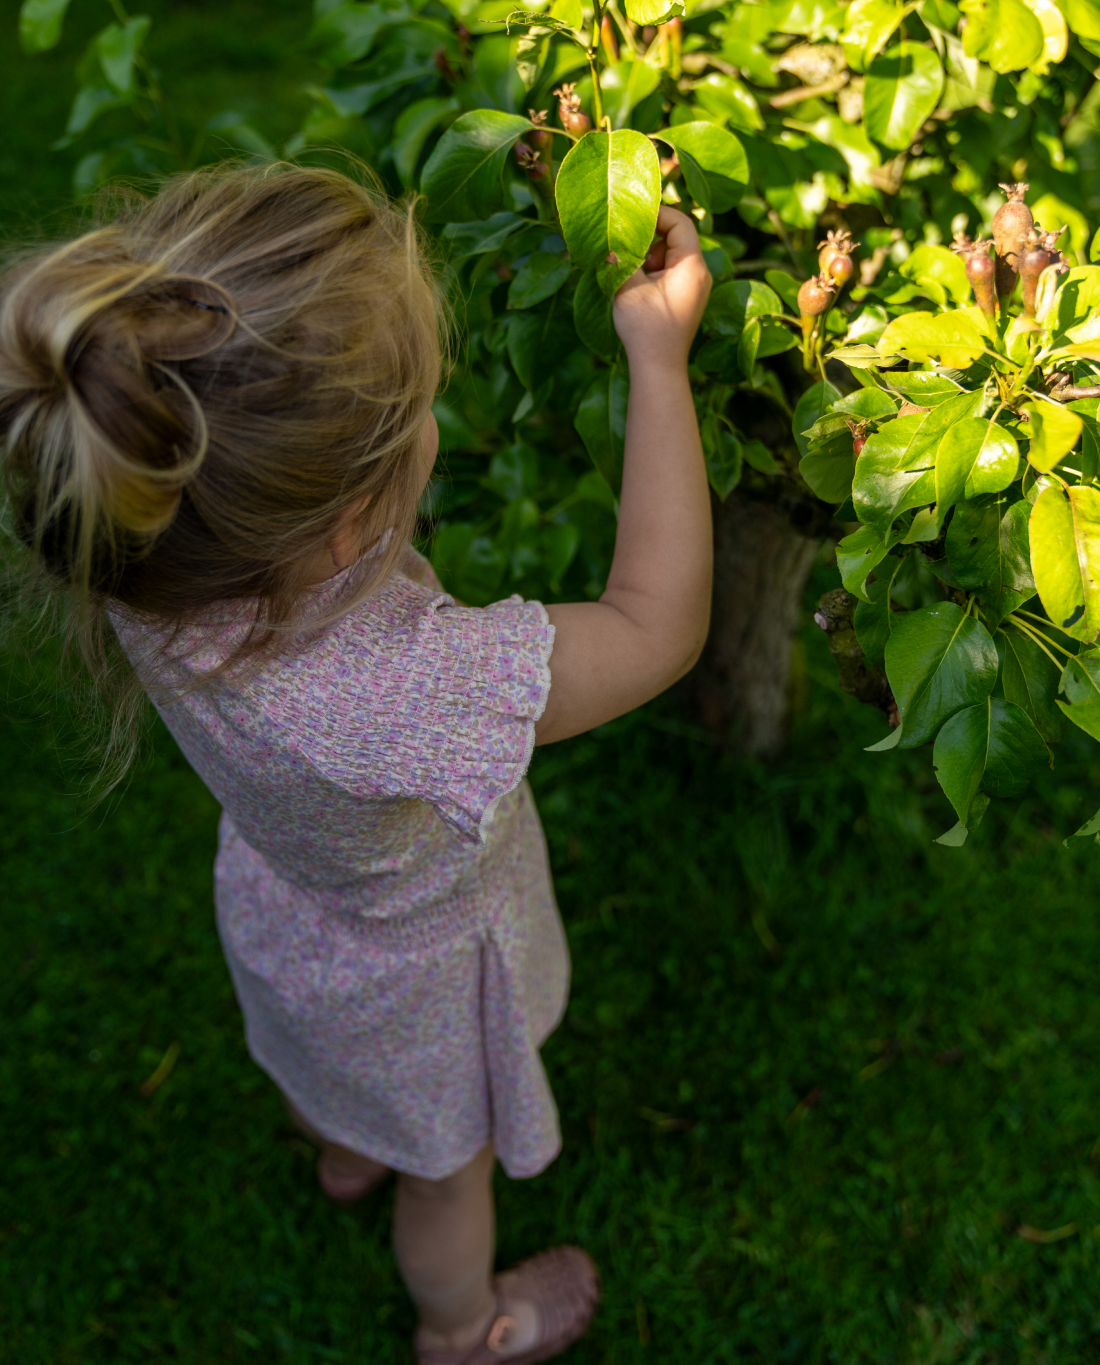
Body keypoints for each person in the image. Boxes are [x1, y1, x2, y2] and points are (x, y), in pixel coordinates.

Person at [0, 163, 712, 1364]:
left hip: (294, 913)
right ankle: (460, 1324)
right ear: (350, 520)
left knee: (325, 1061)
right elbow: (655, 625)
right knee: (448, 1175)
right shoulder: (410, 687)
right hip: (422, 978)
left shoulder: (141, 542)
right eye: (418, 414)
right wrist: (657, 359)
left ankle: (342, 1145)